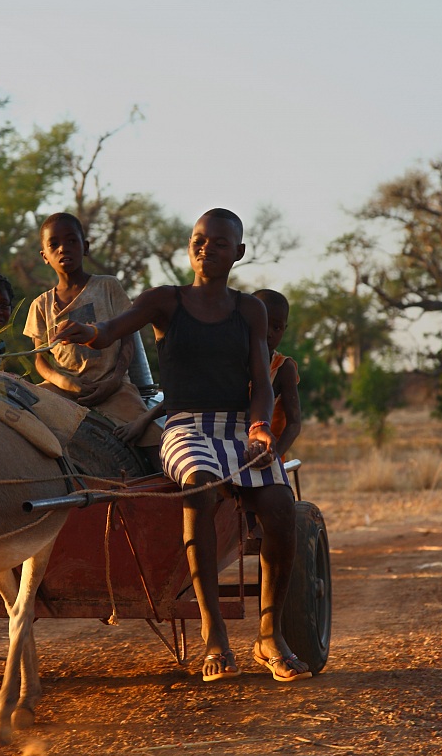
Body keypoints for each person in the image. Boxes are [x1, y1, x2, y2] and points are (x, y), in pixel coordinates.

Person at [53, 208, 310, 683]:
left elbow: (261, 381)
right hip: (185, 427)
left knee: (278, 504)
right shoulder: (164, 301)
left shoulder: (249, 310)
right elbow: (112, 329)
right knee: (199, 482)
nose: (205, 248)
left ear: (239, 252)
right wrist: (89, 334)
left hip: (240, 427)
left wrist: (260, 429)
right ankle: (214, 634)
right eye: (199, 239)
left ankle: (270, 636)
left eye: (218, 242)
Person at [24, 212, 162, 457]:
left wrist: (115, 380)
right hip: (64, 390)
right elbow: (40, 360)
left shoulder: (108, 286)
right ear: (44, 255)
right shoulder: (40, 305)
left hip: (113, 387)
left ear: (85, 247)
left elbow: (127, 339)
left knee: (152, 441)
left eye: (71, 241)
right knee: (26, 423)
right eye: (54, 244)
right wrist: (65, 383)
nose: (63, 248)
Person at [251, 289, 302, 459]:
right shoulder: (230, 362)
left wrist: (274, 456)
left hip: (266, 454)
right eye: (263, 323)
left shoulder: (283, 368)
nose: (269, 333)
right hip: (229, 449)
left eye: (277, 327)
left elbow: (294, 423)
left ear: (284, 330)